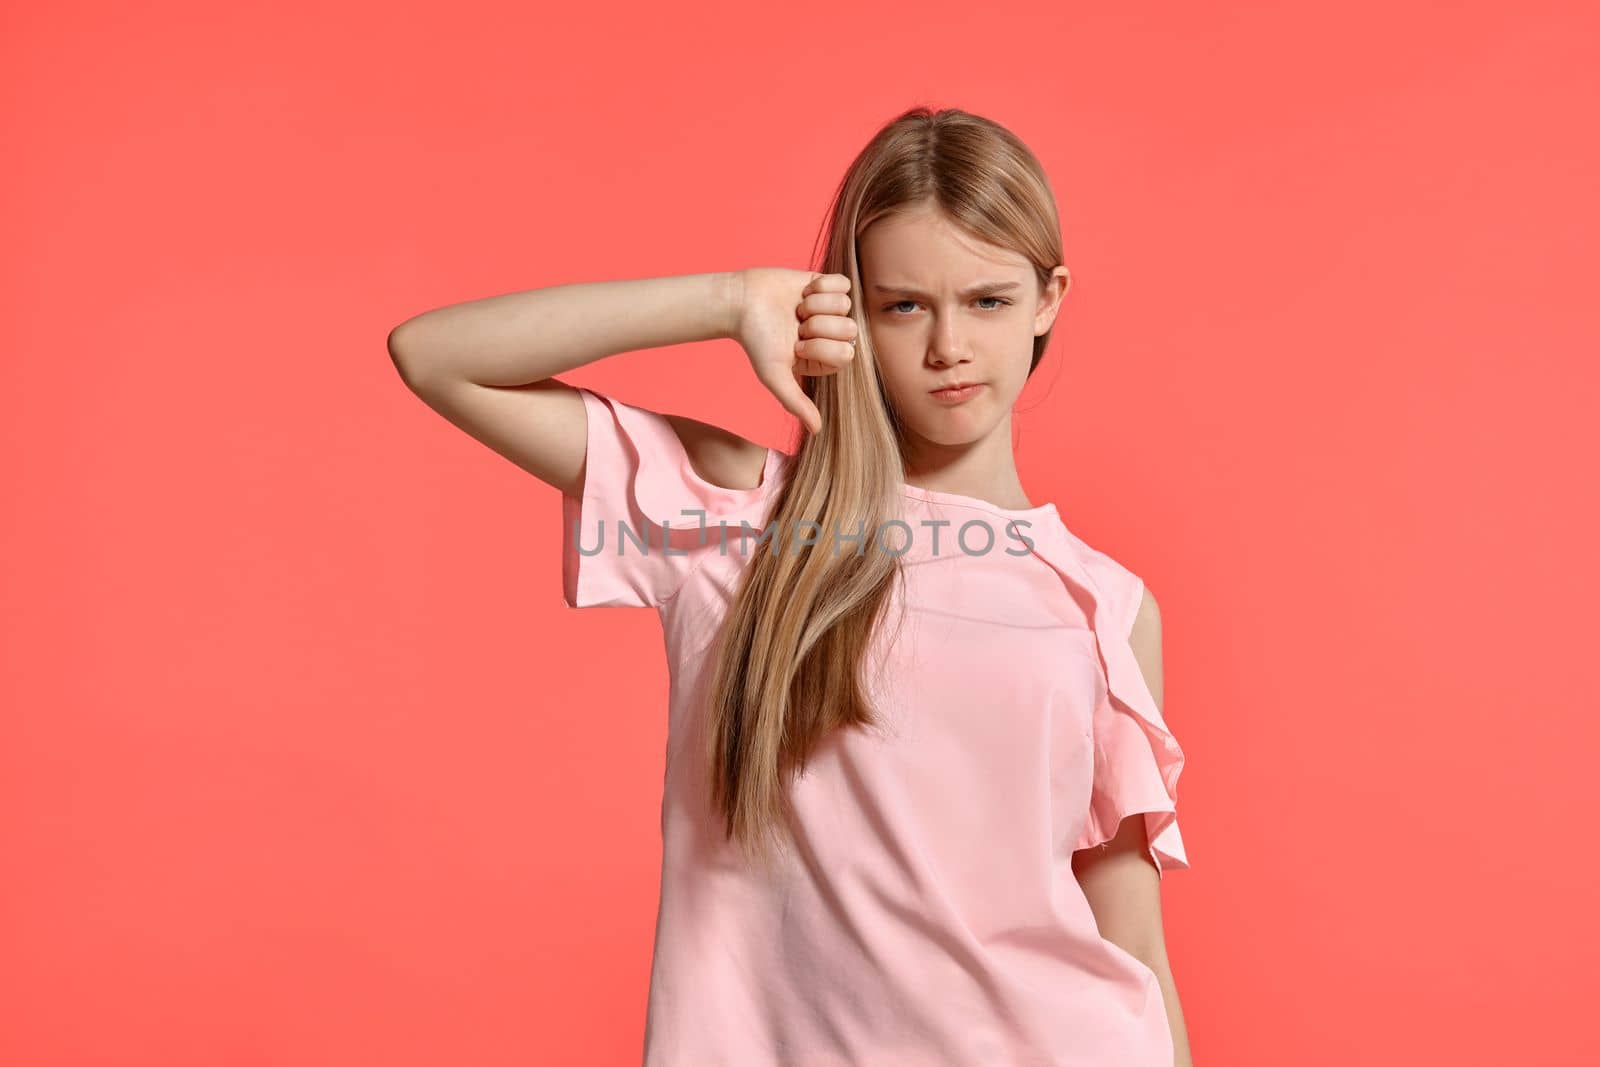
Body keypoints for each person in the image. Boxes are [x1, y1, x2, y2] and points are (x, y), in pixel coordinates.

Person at [387, 106, 1194, 1067]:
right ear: (847, 305)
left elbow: (1132, 940)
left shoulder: (1106, 604)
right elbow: (436, 357)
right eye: (903, 305)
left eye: (987, 300)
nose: (948, 347)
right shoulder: (739, 523)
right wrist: (730, 300)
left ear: (1048, 298)